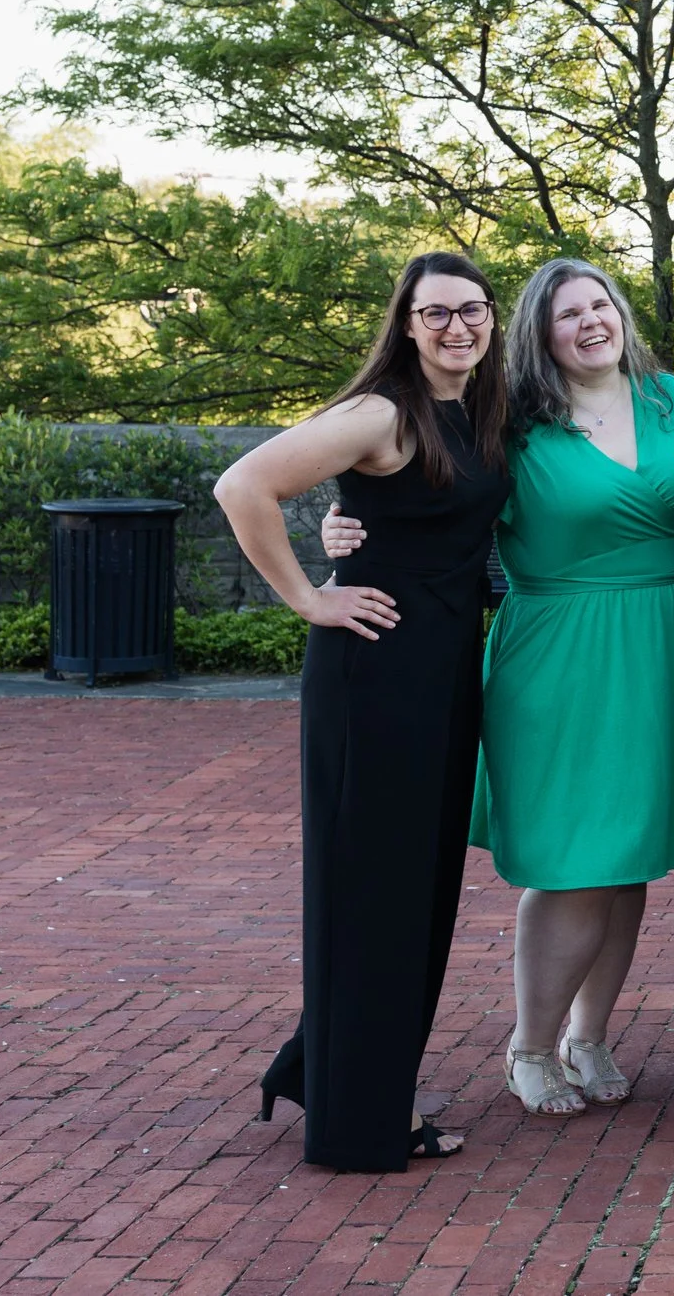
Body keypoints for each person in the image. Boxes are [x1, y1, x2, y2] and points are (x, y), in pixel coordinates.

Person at [317, 259, 674, 1118]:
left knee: (628, 863)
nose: (589, 322)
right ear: (538, 332)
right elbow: (432, 501)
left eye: (599, 305)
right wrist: (345, 526)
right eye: (565, 313)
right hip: (563, 653)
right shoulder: (510, 420)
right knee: (575, 861)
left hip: (667, 642)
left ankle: (590, 1036)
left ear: (620, 313)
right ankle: (530, 1045)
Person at [222, 252, 513, 1170]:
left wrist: (347, 520)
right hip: (375, 676)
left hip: (442, 672)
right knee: (375, 895)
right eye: (436, 314)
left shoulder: (482, 408)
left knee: (413, 894)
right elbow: (244, 485)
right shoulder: (383, 409)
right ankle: (357, 1127)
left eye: (472, 311)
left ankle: (335, 1073)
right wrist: (311, 596)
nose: (456, 327)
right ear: (406, 322)